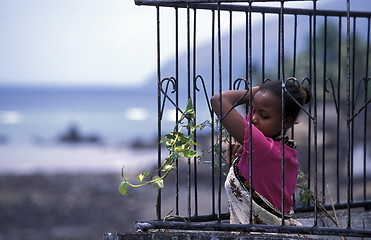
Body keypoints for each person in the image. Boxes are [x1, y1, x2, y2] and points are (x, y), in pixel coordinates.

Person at [211, 79, 311, 225]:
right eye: (253, 110)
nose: (253, 118)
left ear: (286, 122)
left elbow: (219, 100)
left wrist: (259, 89)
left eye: (264, 116)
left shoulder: (262, 147)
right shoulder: (283, 151)